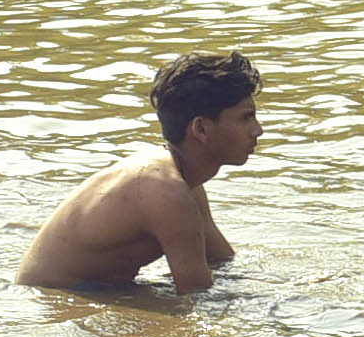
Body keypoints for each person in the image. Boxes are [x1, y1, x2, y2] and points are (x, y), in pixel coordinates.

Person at [18, 51, 263, 291]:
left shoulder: (186, 186)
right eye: (246, 118)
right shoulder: (166, 191)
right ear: (200, 129)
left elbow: (222, 262)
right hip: (51, 297)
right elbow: (197, 295)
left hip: (100, 290)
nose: (257, 130)